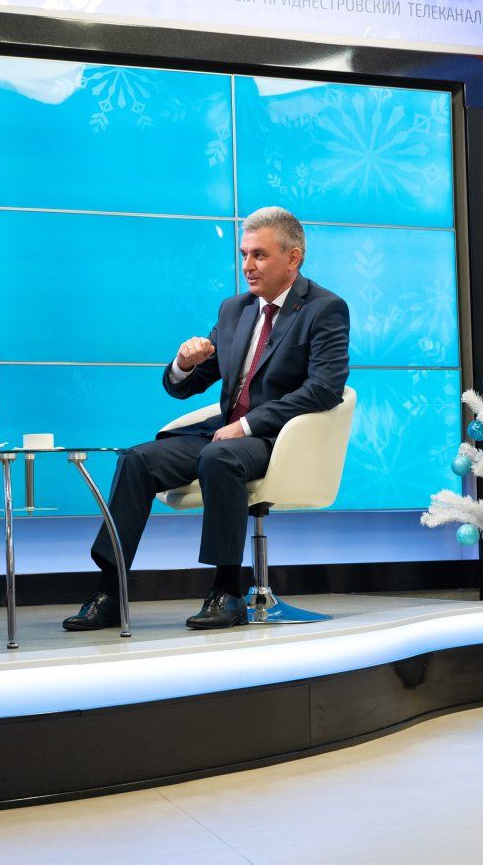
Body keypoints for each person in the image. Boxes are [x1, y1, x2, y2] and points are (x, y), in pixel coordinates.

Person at [63, 206, 350, 631]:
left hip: (277, 440)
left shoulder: (324, 308)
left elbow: (324, 388)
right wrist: (183, 363)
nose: (248, 266)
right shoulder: (235, 309)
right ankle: (110, 590)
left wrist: (247, 425)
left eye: (259, 255)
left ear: (294, 257)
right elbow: (185, 386)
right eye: (244, 254)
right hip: (224, 433)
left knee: (220, 458)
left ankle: (227, 591)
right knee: (137, 461)